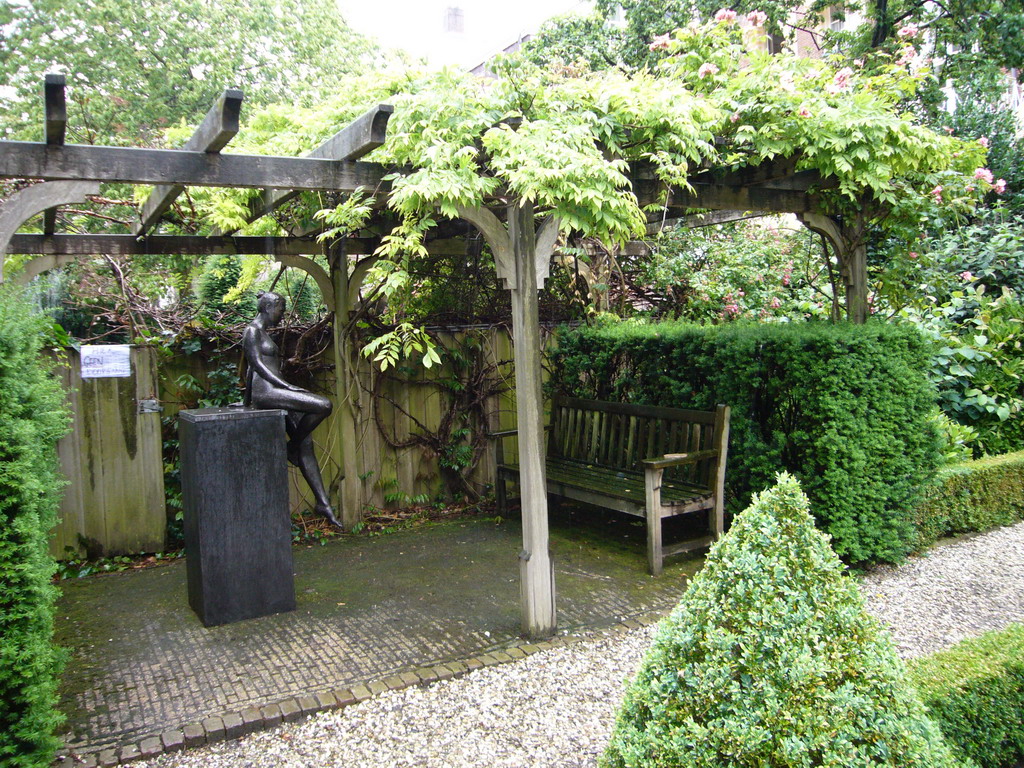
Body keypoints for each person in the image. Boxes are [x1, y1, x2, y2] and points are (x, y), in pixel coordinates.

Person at [242, 291, 342, 528]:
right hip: (267, 393)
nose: (283, 313)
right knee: (323, 406)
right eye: (281, 308)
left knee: (306, 444)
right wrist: (283, 386)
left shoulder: (263, 333)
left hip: (275, 392)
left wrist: (248, 399)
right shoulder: (252, 331)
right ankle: (291, 447)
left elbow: (247, 372)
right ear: (269, 307)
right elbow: (254, 365)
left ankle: (322, 503)